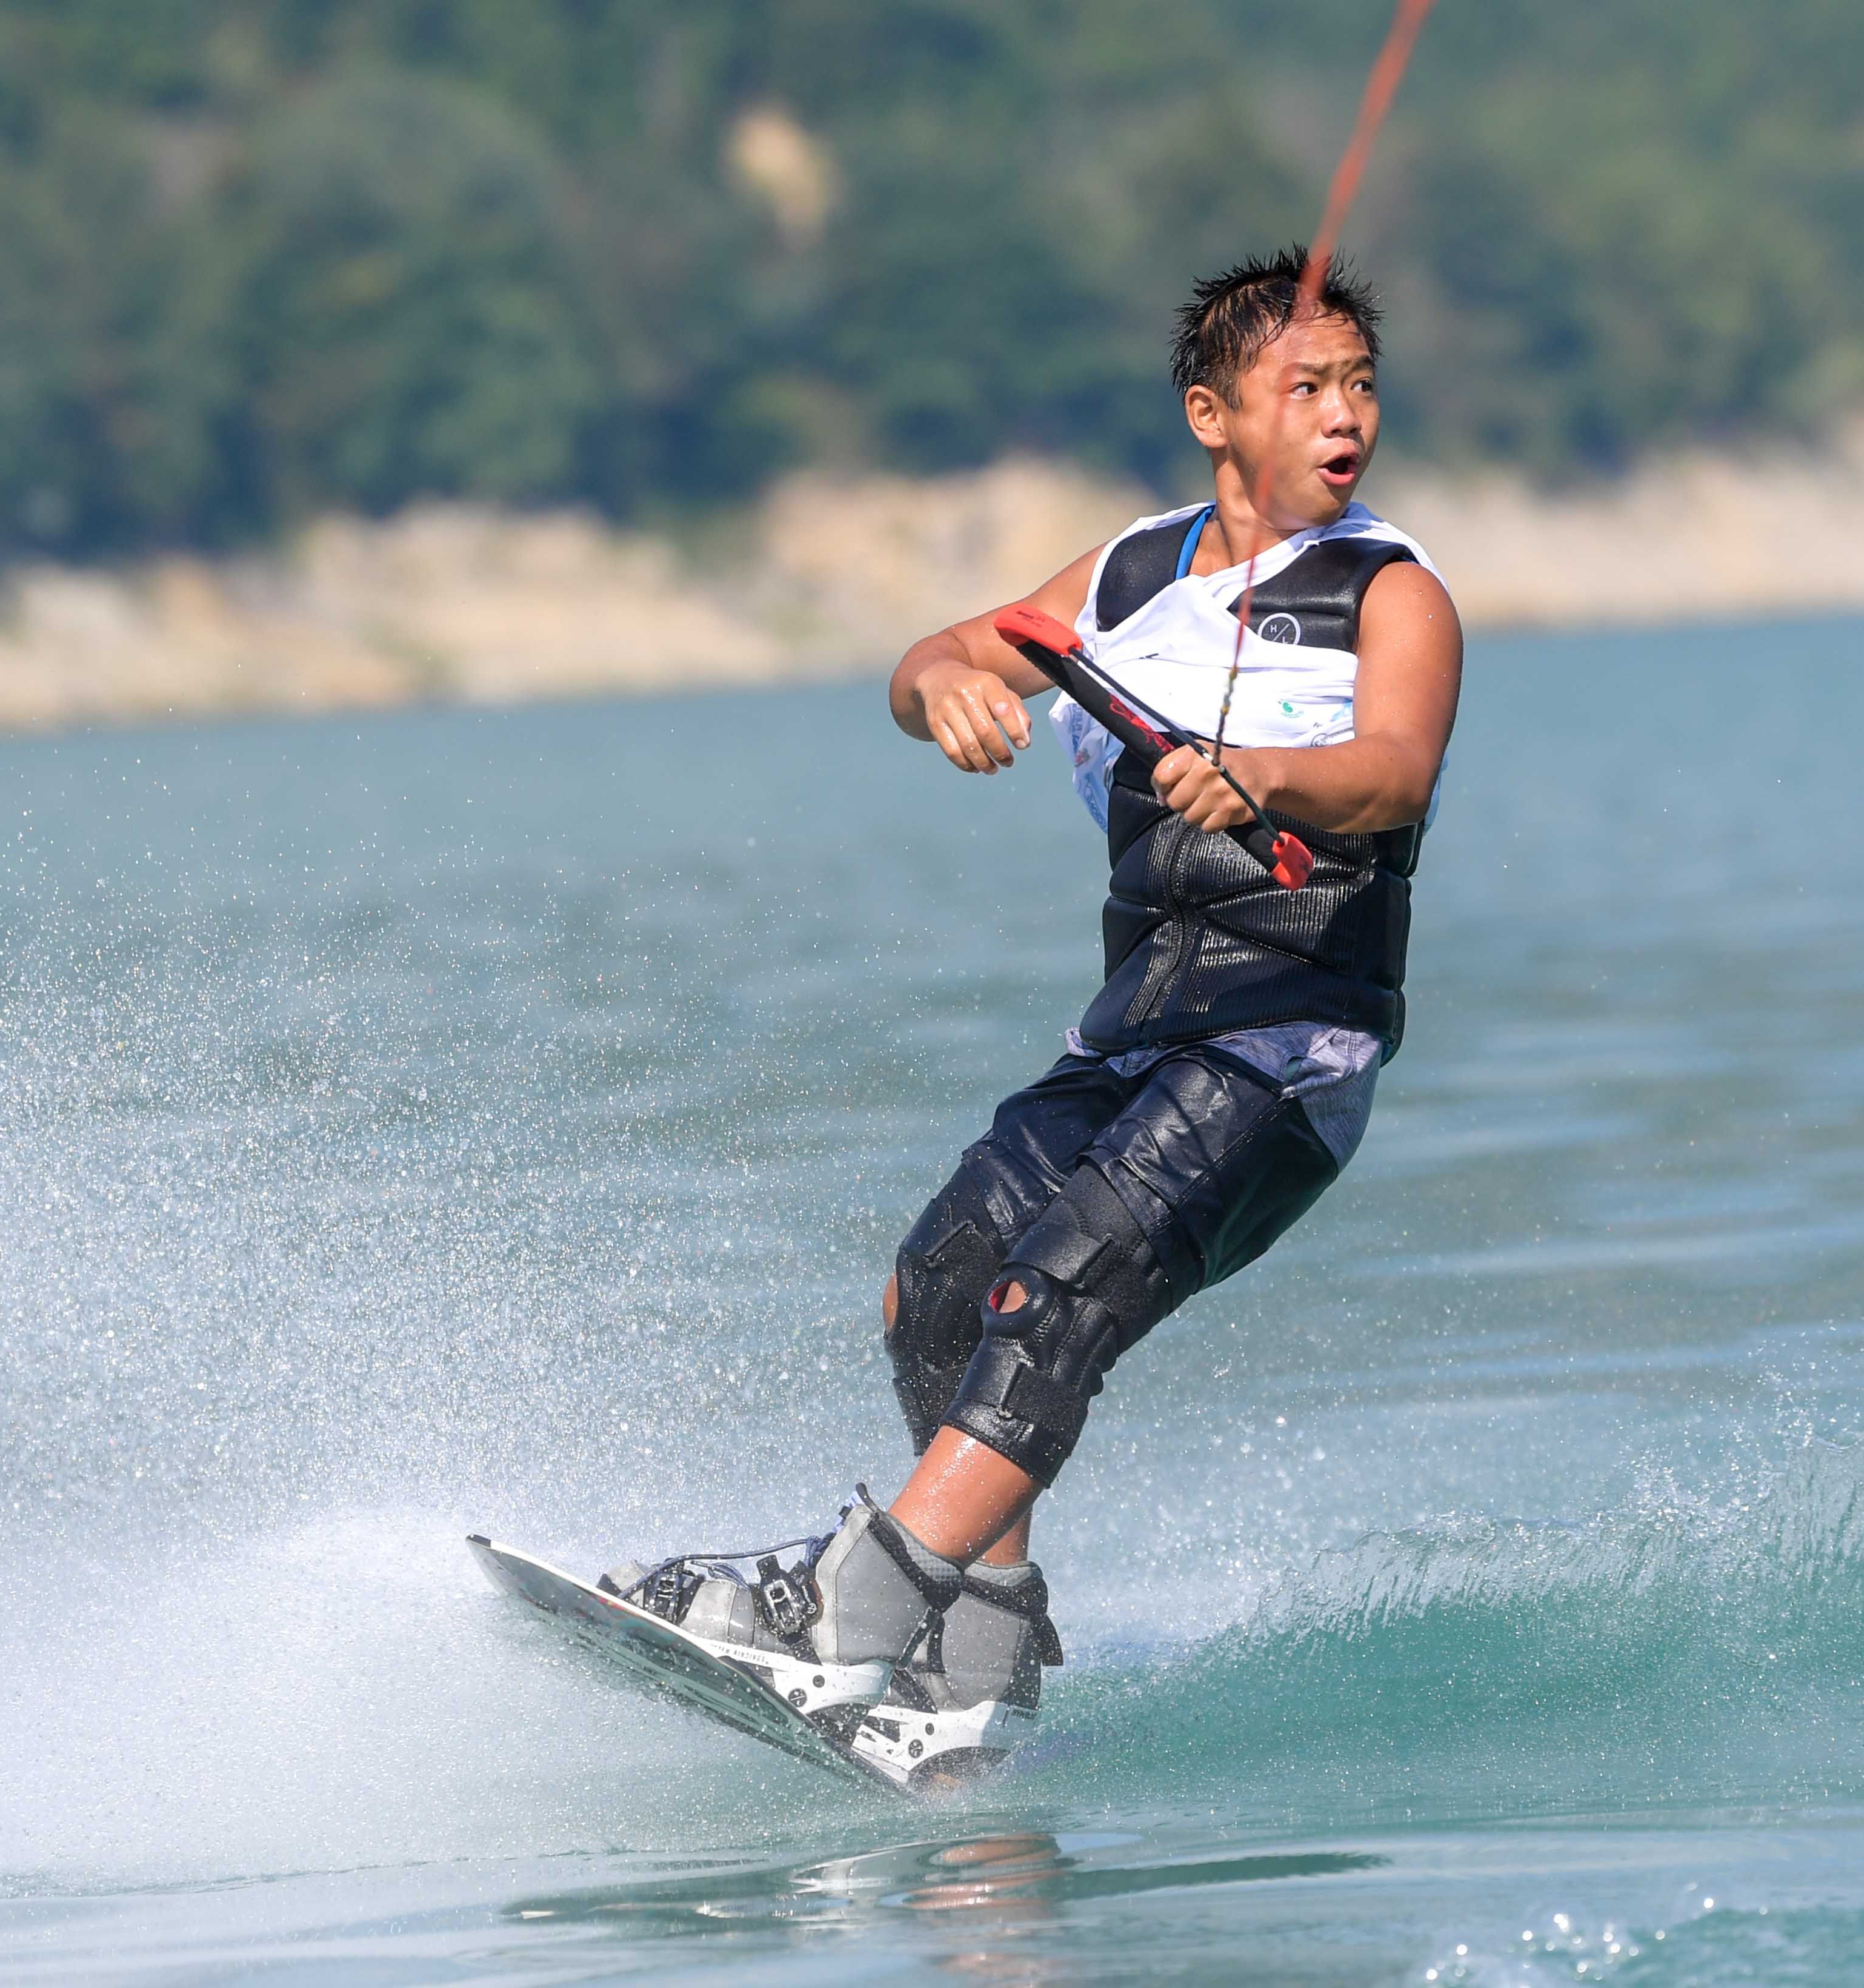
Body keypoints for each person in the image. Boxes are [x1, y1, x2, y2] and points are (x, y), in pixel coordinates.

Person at [602, 247, 1463, 1780]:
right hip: (1137, 1031)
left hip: (1290, 1043)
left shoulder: (1389, 593)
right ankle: (980, 1643)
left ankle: (845, 1608)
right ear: (1212, 413)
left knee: (1055, 1296)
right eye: (1306, 386)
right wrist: (939, 686)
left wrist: (1267, 772)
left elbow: (1394, 768)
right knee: (940, 1288)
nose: (1346, 415)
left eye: (1360, 385)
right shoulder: (1129, 575)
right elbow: (945, 653)